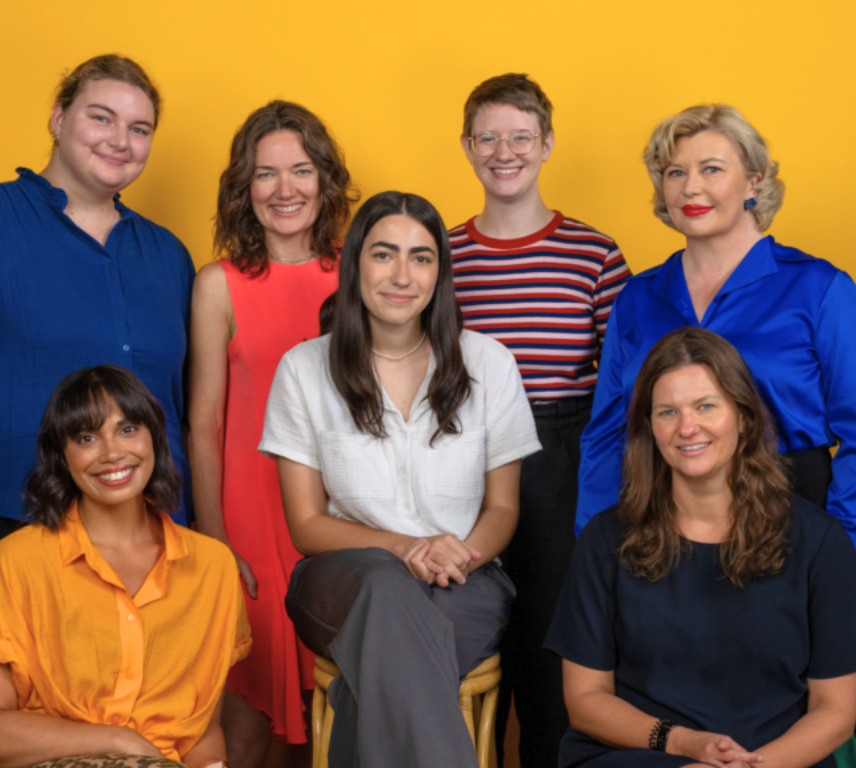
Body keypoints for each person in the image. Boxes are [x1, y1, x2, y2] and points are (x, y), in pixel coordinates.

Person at [575, 103, 856, 765]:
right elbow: (608, 435)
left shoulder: (821, 289)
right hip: (667, 521)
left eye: (711, 169)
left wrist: (835, 559)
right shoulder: (639, 298)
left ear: (754, 181)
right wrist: (599, 553)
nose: (690, 187)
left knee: (811, 723)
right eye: (674, 172)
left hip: (798, 512)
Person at [0, 54, 195, 643]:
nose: (120, 141)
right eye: (102, 118)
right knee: (6, 722)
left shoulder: (167, 256)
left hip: (137, 538)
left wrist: (187, 531)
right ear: (58, 118)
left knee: (129, 723)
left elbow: (176, 410)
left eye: (140, 129)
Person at [258, 191, 542, 768]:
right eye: (384, 255)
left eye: (421, 257)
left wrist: (455, 556)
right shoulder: (304, 369)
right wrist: (406, 548)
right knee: (385, 590)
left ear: (440, 272)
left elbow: (503, 510)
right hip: (343, 579)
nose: (402, 275)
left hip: (465, 580)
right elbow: (307, 526)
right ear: (356, 263)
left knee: (388, 660)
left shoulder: (489, 363)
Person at [548, 327, 856, 768]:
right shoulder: (604, 539)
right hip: (643, 753)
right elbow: (586, 700)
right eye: (667, 412)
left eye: (706, 406)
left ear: (744, 416)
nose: (687, 427)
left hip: (776, 760)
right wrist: (683, 743)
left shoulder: (819, 541)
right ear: (649, 427)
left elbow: (836, 712)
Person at [0, 365, 251, 768]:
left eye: (128, 429)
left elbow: (201, 728)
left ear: (155, 437)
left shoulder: (212, 568)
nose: (112, 452)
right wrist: (120, 742)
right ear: (62, 456)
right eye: (86, 437)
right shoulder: (17, 563)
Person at [449, 72, 632, 767]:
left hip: (565, 452)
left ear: (547, 144)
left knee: (554, 631)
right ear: (467, 146)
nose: (505, 151)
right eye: (488, 137)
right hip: (464, 452)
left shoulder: (595, 254)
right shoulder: (441, 254)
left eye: (520, 136)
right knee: (465, 627)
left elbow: (619, 387)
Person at [189, 100, 357, 766]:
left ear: (326, 180)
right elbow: (204, 421)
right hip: (251, 518)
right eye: (266, 174)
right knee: (250, 717)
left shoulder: (360, 272)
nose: (285, 189)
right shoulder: (217, 286)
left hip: (342, 509)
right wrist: (214, 542)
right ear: (243, 187)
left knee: (337, 701)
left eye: (302, 170)